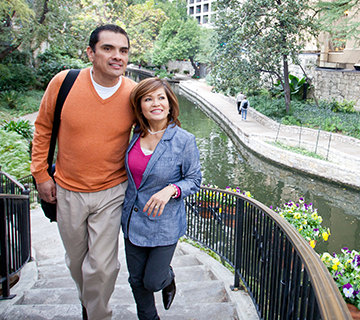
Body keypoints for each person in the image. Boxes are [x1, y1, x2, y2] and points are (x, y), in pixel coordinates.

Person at [31, 24, 136, 320]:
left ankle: (97, 314)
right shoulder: (64, 83)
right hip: (67, 190)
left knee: (103, 266)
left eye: (123, 51)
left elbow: (152, 136)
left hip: (111, 191)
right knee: (77, 263)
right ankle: (89, 303)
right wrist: (41, 175)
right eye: (108, 48)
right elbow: (42, 129)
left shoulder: (133, 93)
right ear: (90, 53)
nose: (117, 56)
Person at [121, 77, 202, 320]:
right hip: (132, 221)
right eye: (148, 99)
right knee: (136, 281)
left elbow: (194, 180)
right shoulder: (133, 135)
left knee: (153, 281)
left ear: (169, 104)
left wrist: (171, 190)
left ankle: (168, 277)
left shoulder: (184, 140)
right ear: (141, 107)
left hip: (164, 223)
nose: (155, 103)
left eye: (161, 98)